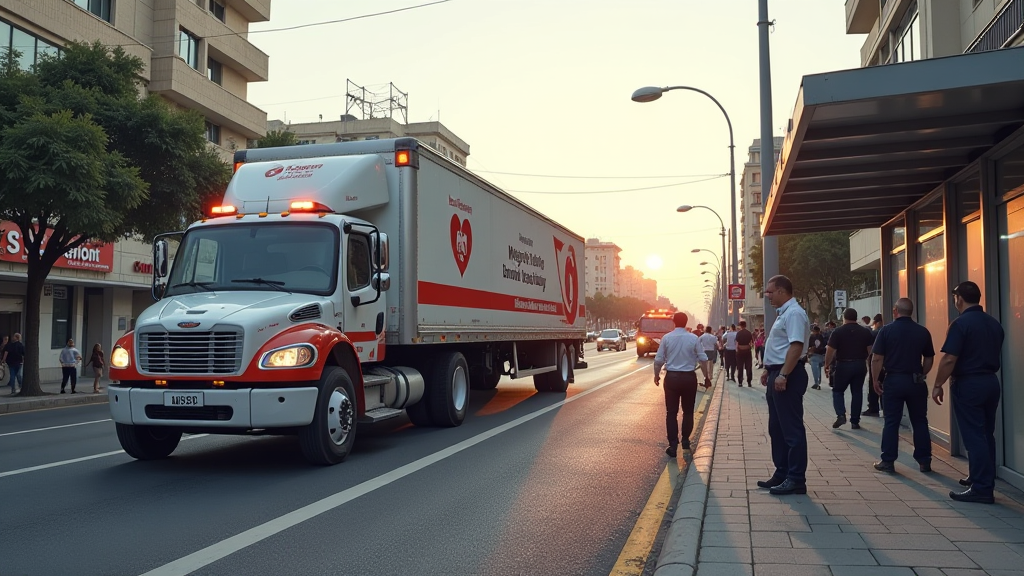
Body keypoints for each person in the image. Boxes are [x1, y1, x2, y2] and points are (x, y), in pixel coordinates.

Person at [932, 281, 1003, 504]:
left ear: (959, 299)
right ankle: (982, 477)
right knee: (985, 433)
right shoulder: (993, 323)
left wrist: (937, 384)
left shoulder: (960, 324)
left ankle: (982, 488)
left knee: (973, 435)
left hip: (969, 383)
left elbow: (950, 358)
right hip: (990, 382)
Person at [757, 275, 811, 495]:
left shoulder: (795, 313)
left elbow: (796, 347)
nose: (767, 295)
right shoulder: (785, 314)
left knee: (791, 429)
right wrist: (768, 370)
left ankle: (796, 478)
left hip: (788, 375)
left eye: (770, 291)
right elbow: (780, 347)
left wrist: (783, 375)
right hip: (777, 373)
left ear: (781, 291)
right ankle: (782, 473)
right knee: (776, 428)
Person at [871, 298, 935, 474]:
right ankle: (924, 460)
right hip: (915, 382)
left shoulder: (886, 331)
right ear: (911, 312)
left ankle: (888, 461)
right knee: (920, 421)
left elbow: (877, 358)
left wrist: (875, 379)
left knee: (891, 422)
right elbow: (929, 357)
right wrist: (922, 373)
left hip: (894, 380)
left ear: (895, 311)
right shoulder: (922, 332)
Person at [654, 312, 711, 458]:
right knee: (688, 411)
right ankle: (685, 440)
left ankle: (673, 445)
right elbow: (703, 359)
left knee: (671, 413)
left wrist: (656, 376)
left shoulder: (667, 338)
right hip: (688, 378)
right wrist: (707, 377)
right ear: (686, 323)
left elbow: (659, 360)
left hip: (672, 378)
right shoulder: (693, 338)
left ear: (674, 322)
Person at [823, 308, 875, 430]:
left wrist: (826, 365)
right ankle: (855, 421)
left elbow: (830, 351)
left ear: (844, 318)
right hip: (860, 364)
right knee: (857, 392)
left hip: (843, 365)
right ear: (856, 318)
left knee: (838, 391)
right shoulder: (865, 332)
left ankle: (841, 414)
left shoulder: (837, 332)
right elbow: (870, 351)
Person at [864, 313, 886, 417]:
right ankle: (885, 407)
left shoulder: (873, 334)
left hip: (875, 363)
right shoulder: (888, 331)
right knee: (884, 386)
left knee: (874, 385)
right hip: (887, 364)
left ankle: (873, 408)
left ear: (877, 322)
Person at [806, 325, 827, 390]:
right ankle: (818, 382)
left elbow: (808, 346)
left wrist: (809, 352)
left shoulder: (811, 337)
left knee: (815, 369)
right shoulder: (823, 337)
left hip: (814, 355)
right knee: (818, 369)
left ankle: (817, 383)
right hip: (821, 355)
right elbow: (825, 346)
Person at [735, 320, 754, 387]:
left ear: (740, 326)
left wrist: (737, 350)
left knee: (740, 367)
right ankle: (749, 382)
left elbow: (737, 344)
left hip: (740, 351)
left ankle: (740, 382)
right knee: (748, 367)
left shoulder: (738, 333)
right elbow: (751, 343)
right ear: (745, 325)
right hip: (747, 351)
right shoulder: (749, 333)